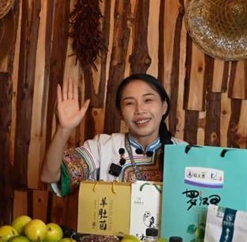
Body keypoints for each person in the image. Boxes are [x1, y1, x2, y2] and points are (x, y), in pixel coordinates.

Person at [41, 73, 186, 197]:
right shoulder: (102, 147)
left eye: (148, 100)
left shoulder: (186, 153)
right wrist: (64, 129)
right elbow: (49, 176)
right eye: (129, 103)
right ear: (121, 113)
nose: (140, 110)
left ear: (164, 106)